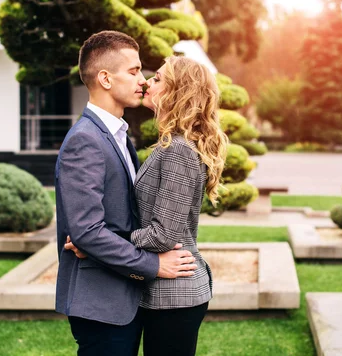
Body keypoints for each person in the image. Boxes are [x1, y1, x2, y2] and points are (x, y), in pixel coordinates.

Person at [67, 55, 229, 356]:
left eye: (157, 79)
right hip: (161, 293)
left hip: (176, 295)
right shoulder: (169, 144)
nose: (146, 82)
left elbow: (163, 235)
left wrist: (97, 242)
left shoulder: (178, 150)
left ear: (176, 91)